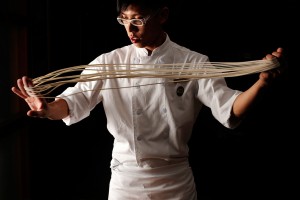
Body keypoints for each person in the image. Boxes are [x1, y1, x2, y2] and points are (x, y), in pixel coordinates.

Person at [11, 0, 286, 199]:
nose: (130, 29)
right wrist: (47, 109)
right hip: (125, 178)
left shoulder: (192, 62)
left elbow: (231, 110)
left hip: (175, 180)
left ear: (163, 14)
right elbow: (71, 104)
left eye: (139, 19)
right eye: (124, 20)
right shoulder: (109, 62)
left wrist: (261, 83)